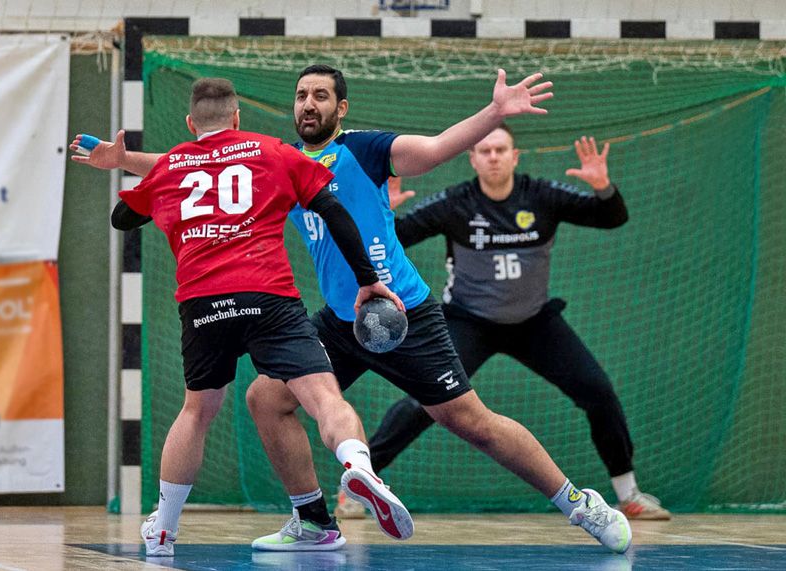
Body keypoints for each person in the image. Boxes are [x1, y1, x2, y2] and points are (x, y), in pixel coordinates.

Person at [77, 65, 633, 555]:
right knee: (267, 400)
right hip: (341, 320)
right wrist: (125, 159)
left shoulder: (367, 150)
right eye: (301, 95)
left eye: (320, 95)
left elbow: (439, 147)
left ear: (340, 108)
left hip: (400, 311)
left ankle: (580, 502)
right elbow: (201, 163)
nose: (307, 104)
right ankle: (314, 521)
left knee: (469, 421)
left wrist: (494, 111)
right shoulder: (280, 160)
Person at [73, 78, 414, 556]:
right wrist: (368, 279)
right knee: (320, 394)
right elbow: (333, 210)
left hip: (202, 302)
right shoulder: (273, 152)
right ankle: (357, 463)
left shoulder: (173, 165)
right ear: (237, 119)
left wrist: (143, 173)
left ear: (191, 124)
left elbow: (121, 218)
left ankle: (165, 528)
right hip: (268, 295)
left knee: (198, 411)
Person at [336, 125, 671, 521]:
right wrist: (384, 217)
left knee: (598, 391)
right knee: (421, 403)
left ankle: (628, 494)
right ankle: (357, 491)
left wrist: (603, 187)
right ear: (473, 158)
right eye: (484, 150)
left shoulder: (542, 196)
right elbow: (393, 244)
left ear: (514, 156)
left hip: (533, 323)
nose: (493, 156)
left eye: (501, 150)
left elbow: (611, 217)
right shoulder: (455, 203)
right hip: (468, 321)